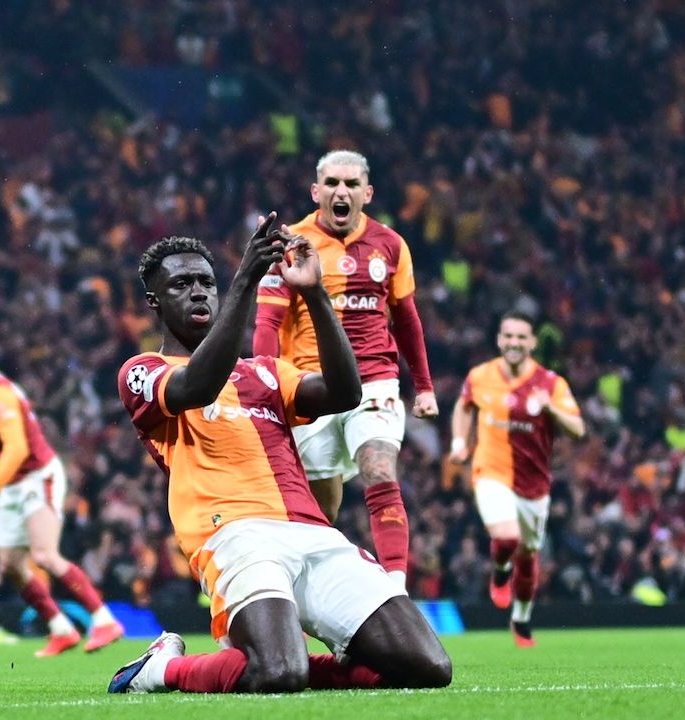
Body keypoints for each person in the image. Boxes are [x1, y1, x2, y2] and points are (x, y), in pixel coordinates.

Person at [110, 217, 450, 694]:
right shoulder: (142, 371)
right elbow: (199, 385)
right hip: (234, 536)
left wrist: (314, 295)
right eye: (181, 285)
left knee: (428, 667)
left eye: (206, 282)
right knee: (278, 673)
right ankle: (161, 669)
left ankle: (288, 655)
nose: (198, 292)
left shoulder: (264, 372)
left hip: (312, 532)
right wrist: (247, 280)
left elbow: (345, 392)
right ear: (154, 302)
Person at [253, 150, 437, 588]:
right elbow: (267, 323)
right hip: (311, 386)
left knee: (379, 467)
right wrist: (266, 384)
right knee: (322, 511)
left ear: (366, 193)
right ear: (316, 191)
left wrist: (424, 386)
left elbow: (407, 320)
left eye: (351, 184)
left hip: (375, 381)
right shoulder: (292, 243)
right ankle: (308, 599)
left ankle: (395, 588)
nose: (342, 191)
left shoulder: (390, 244)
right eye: (333, 183)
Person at [0, 334, 125, 657]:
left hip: (37, 476)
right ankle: (61, 629)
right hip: (13, 483)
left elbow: (17, 448)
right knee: (10, 565)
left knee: (44, 556)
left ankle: (104, 621)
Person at [449, 311, 585, 647]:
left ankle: (521, 618)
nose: (514, 342)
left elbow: (578, 430)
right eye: (508, 336)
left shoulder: (551, 383)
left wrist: (550, 409)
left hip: (533, 485)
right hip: (490, 471)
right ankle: (500, 569)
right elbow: (464, 406)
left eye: (521, 337)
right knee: (507, 537)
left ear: (532, 342)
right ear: (499, 339)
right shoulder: (480, 376)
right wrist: (459, 442)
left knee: (528, 556)